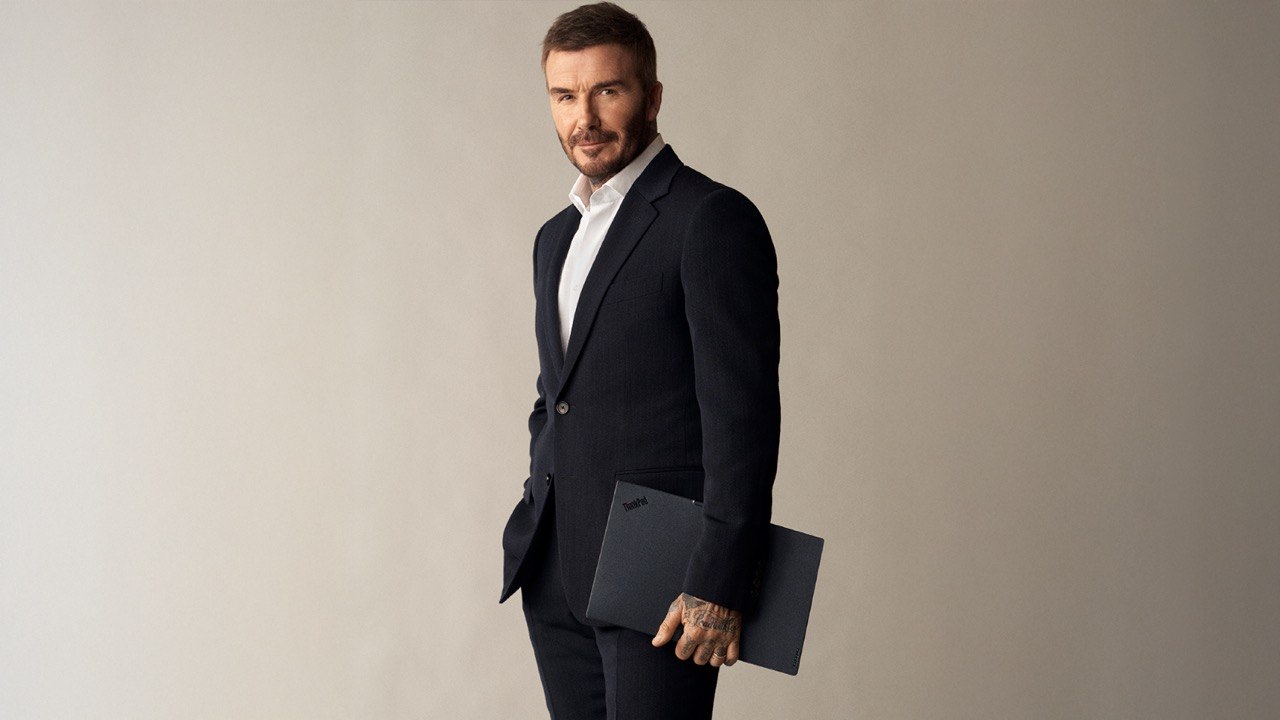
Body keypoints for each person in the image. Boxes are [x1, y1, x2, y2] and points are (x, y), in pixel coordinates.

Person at [499, 3, 780, 718]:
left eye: (607, 90)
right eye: (565, 96)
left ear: (652, 97)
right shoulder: (555, 238)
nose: (584, 118)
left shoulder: (709, 219)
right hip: (556, 566)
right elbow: (556, 393)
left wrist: (718, 580)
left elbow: (742, 418)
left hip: (662, 572)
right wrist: (537, 499)